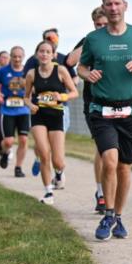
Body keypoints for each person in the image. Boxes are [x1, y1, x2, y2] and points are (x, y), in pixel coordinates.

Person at [78, 0, 132, 240]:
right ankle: (108, 213)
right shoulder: (94, 38)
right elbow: (81, 66)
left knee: (124, 167)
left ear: (125, 5)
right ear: (103, 8)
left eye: (116, 4)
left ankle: (119, 217)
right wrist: (86, 75)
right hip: (101, 109)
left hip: (130, 111)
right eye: (108, 5)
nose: (112, 9)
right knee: (109, 161)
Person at [66, 6, 110, 213]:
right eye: (97, 25)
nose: (101, 27)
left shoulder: (120, 39)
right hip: (93, 101)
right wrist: (90, 40)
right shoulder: (90, 41)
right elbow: (70, 61)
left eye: (104, 24)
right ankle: (101, 193)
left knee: (117, 152)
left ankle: (111, 192)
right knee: (102, 148)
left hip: (119, 100)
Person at [26, 40, 78, 204]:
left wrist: (61, 97)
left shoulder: (61, 70)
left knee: (58, 161)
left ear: (53, 55)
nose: (44, 54)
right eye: (41, 51)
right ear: (37, 54)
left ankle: (59, 172)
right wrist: (30, 105)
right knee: (43, 152)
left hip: (56, 115)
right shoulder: (31, 74)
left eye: (48, 52)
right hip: (38, 115)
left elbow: (74, 92)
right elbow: (25, 97)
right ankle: (48, 192)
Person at [0, 46, 31, 176]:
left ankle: (18, 168)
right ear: (11, 57)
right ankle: (5, 153)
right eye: (14, 56)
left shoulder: (28, 71)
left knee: (24, 140)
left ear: (23, 57)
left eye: (20, 56)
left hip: (23, 110)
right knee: (8, 141)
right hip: (7, 111)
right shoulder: (3, 71)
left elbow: (34, 87)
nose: (17, 59)